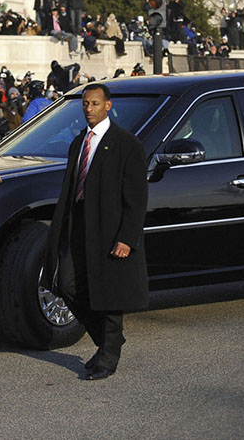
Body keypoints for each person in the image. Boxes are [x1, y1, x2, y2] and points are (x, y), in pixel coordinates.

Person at [41, 84, 148, 380]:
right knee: (66, 283)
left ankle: (108, 358)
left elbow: (137, 197)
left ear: (108, 106)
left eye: (95, 104)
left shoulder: (127, 145)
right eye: (85, 104)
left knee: (110, 294)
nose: (89, 109)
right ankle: (108, 339)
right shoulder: (79, 142)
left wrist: (127, 237)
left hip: (110, 230)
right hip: (78, 225)